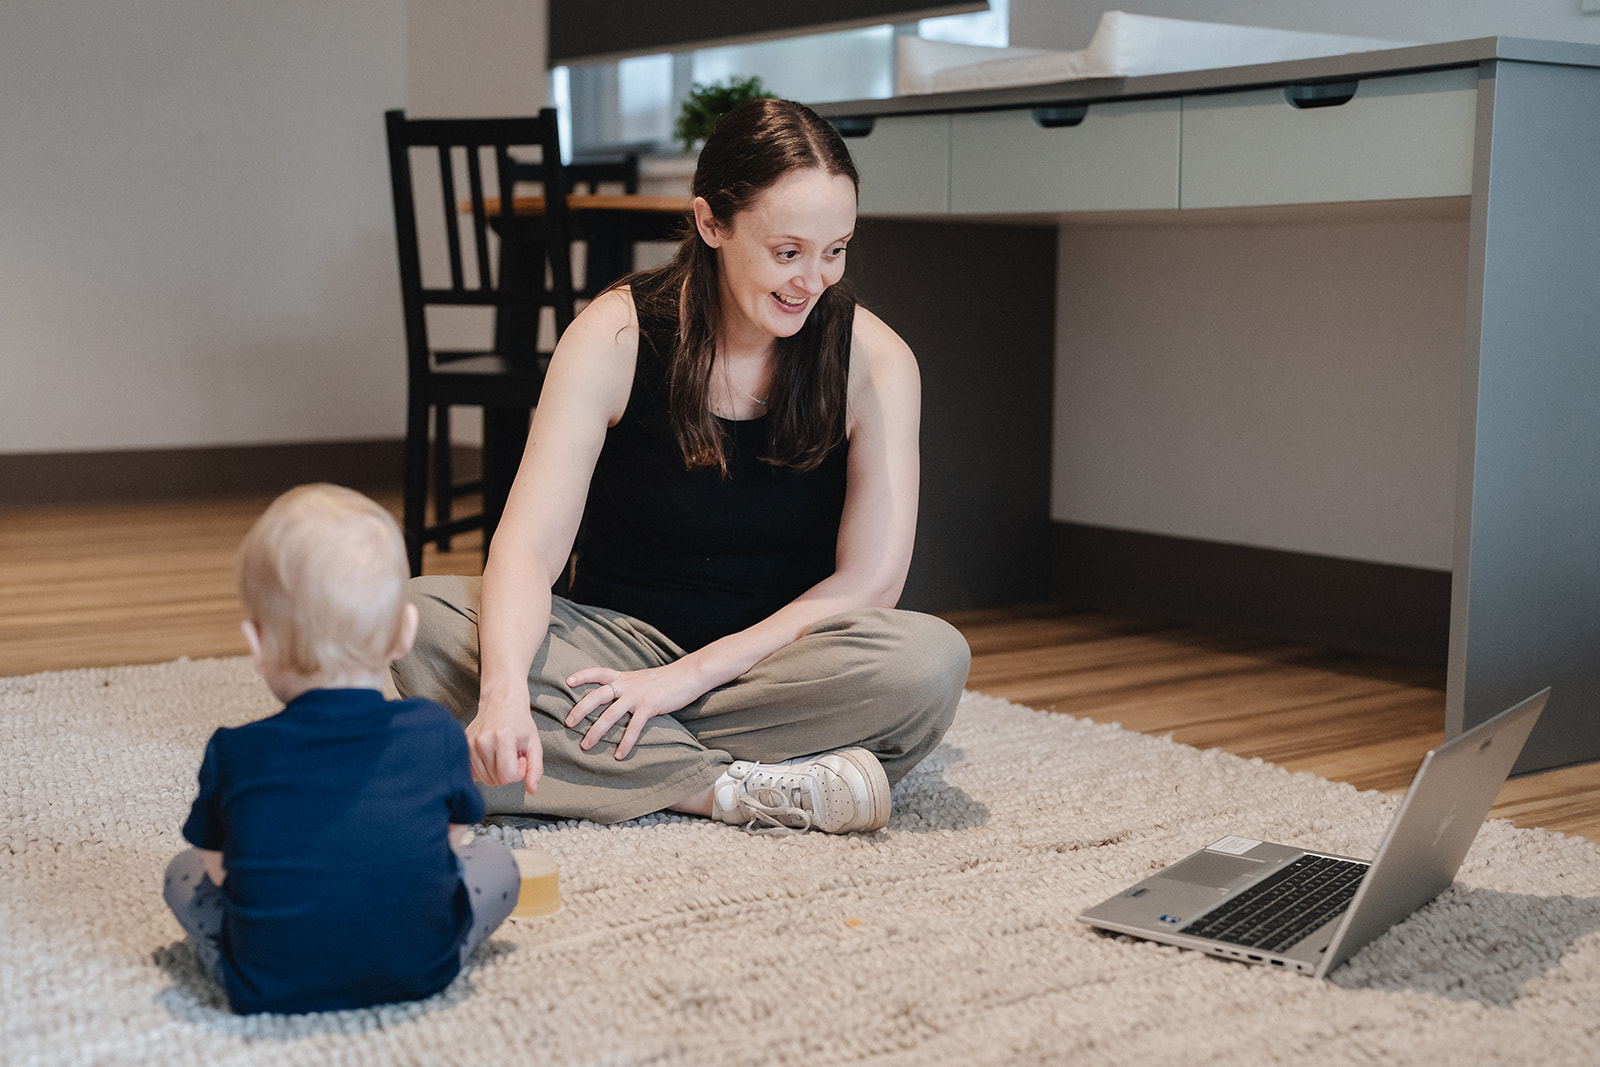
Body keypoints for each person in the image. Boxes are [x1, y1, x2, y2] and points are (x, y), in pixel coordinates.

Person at [393, 98, 970, 835]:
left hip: (772, 665)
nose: (813, 280)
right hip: (607, 648)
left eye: (837, 250)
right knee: (416, 620)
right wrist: (505, 690)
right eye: (787, 252)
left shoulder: (877, 361)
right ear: (711, 224)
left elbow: (870, 585)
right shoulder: (615, 334)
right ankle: (734, 788)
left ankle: (591, 766)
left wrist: (681, 681)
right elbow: (527, 550)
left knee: (928, 662)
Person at [163, 484, 518, 1015]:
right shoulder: (435, 729)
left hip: (268, 982)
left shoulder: (235, 752)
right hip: (421, 967)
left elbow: (219, 868)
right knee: (498, 864)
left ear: (257, 646)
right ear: (406, 633)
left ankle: (262, 959)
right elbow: (452, 839)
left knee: (182, 873)